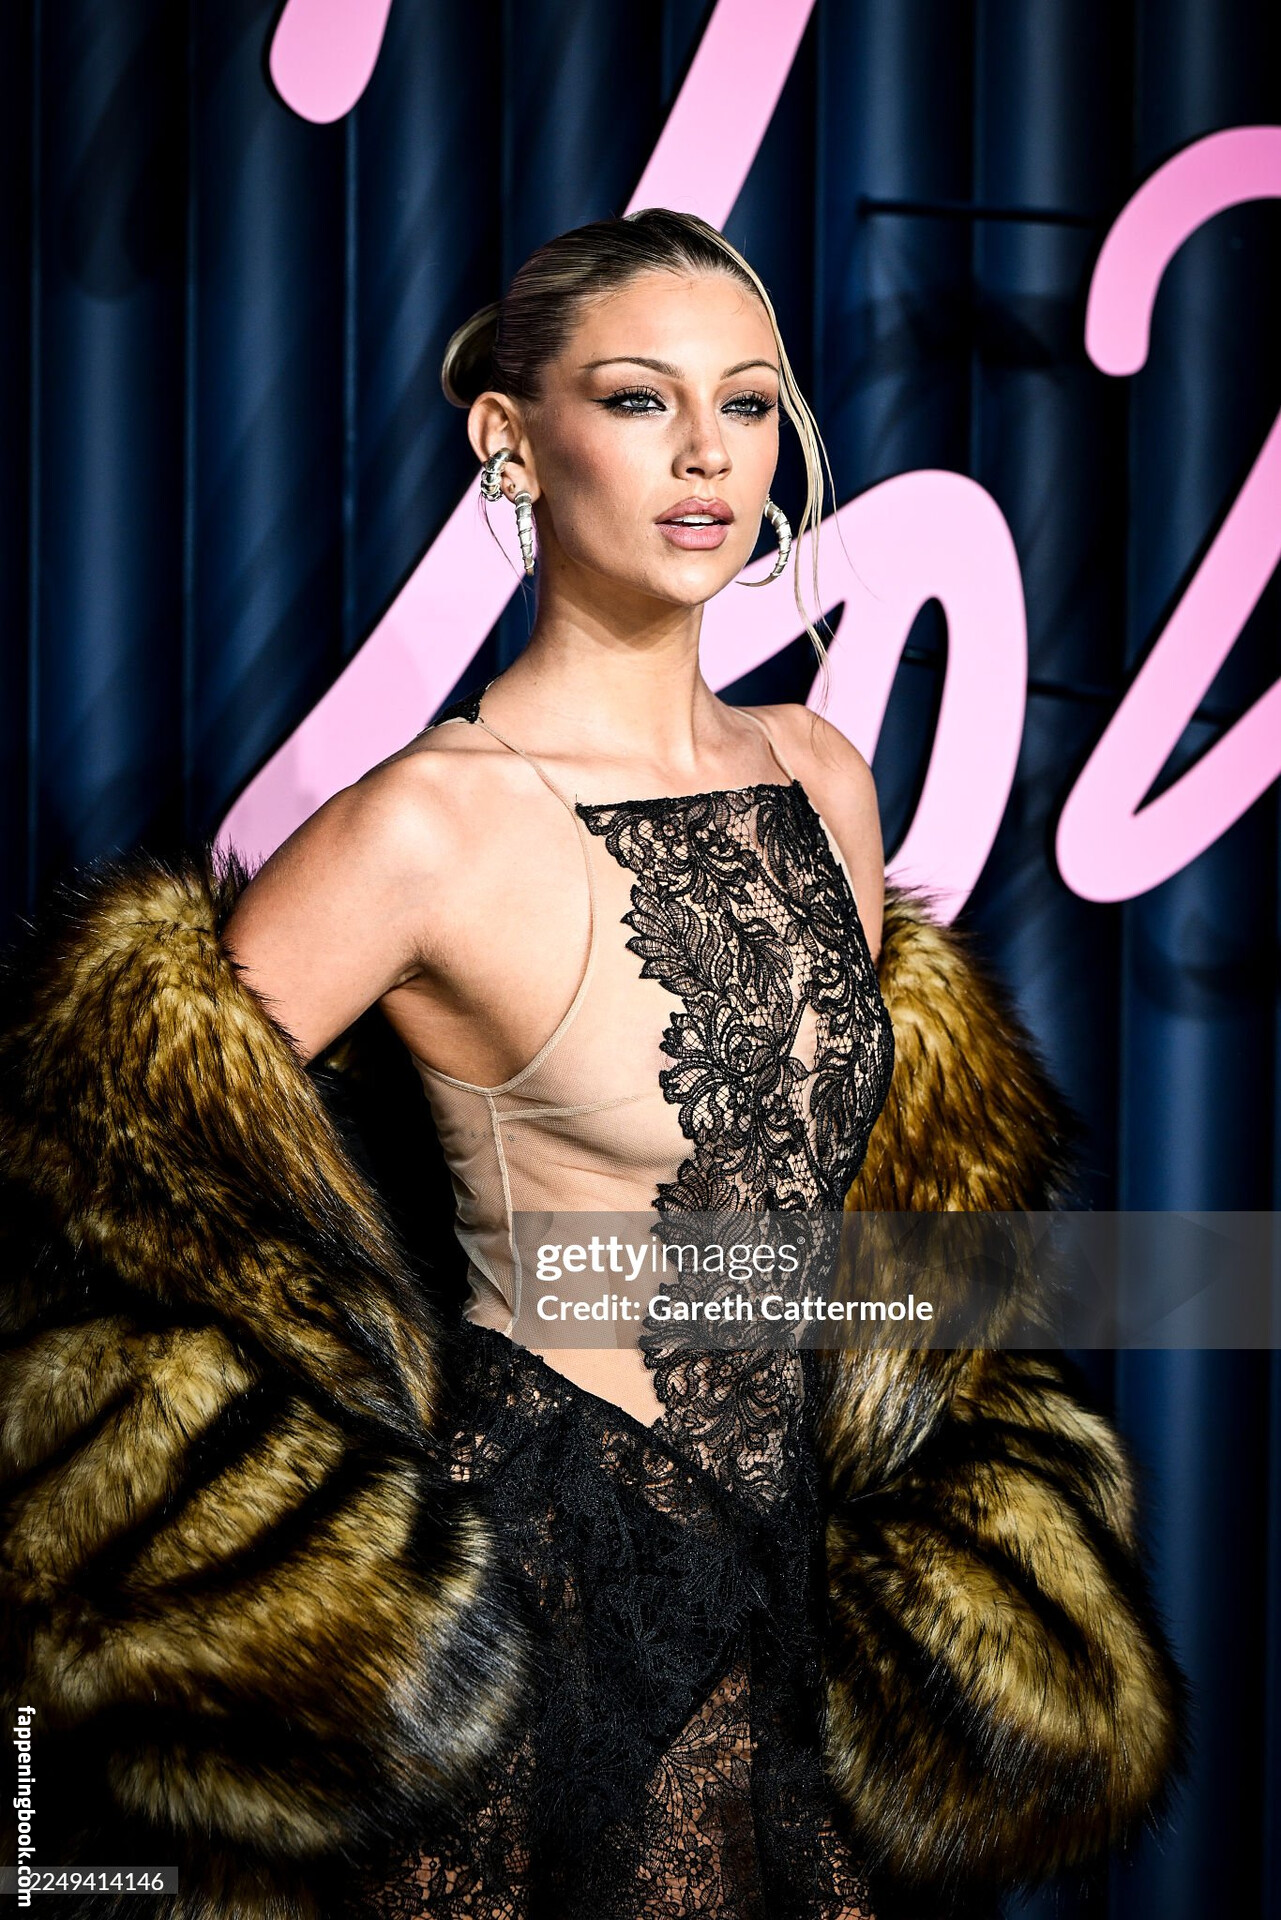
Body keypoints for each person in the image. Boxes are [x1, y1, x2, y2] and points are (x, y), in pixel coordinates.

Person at [0, 211, 1186, 1920]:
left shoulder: (822, 774)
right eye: (639, 399)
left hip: (812, 1608)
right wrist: (298, 1581)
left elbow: (845, 1238)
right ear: (510, 436)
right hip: (550, 1597)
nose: (708, 455)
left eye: (748, 403)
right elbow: (120, 1196)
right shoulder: (424, 824)